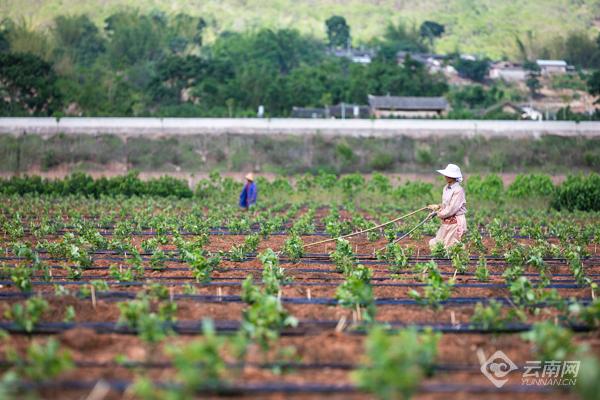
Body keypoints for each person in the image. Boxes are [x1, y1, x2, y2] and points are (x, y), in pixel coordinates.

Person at [427, 164, 467, 249]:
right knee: (437, 244)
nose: (446, 176)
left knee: (450, 247)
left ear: (454, 177)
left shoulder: (458, 190)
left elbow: (451, 209)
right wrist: (437, 207)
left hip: (455, 222)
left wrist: (437, 214)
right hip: (447, 220)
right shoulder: (446, 188)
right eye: (446, 175)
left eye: (449, 175)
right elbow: (445, 205)